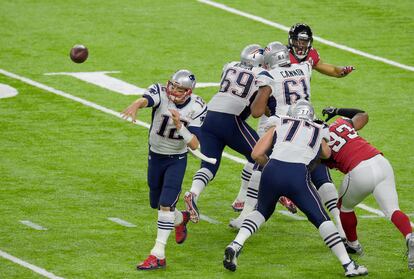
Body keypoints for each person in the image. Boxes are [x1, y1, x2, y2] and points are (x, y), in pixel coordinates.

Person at [223, 100, 368, 277]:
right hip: (297, 174)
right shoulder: (319, 128)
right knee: (321, 219)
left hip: (271, 170)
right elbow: (327, 154)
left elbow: (256, 154)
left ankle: (236, 244)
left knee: (261, 211)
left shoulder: (279, 121)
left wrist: (271, 167)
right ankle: (348, 265)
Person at [121, 69, 207, 270]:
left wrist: (180, 126)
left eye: (180, 88)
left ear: (189, 91)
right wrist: (135, 105)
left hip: (176, 159)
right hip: (155, 155)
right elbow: (146, 100)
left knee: (166, 204)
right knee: (156, 204)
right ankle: (181, 218)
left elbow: (195, 144)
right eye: (174, 86)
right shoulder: (160, 92)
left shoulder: (198, 106)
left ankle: (158, 254)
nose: (175, 91)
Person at [229, 41, 313, 229]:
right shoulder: (303, 68)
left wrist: (264, 103)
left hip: (282, 127)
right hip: (307, 127)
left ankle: (246, 215)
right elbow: (310, 63)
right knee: (312, 173)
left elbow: (257, 111)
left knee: (260, 165)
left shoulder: (269, 75)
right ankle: (337, 226)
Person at [322, 106, 414, 270]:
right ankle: (409, 235)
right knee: (393, 209)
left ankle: (353, 244)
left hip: (359, 170)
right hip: (380, 161)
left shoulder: (315, 140)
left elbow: (320, 158)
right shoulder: (340, 123)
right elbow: (362, 115)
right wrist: (336, 110)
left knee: (344, 207)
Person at [183, 44, 264, 223]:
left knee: (209, 164)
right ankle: (247, 212)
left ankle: (193, 194)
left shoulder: (229, 65)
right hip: (230, 119)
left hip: (210, 116)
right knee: (261, 156)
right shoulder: (261, 74)